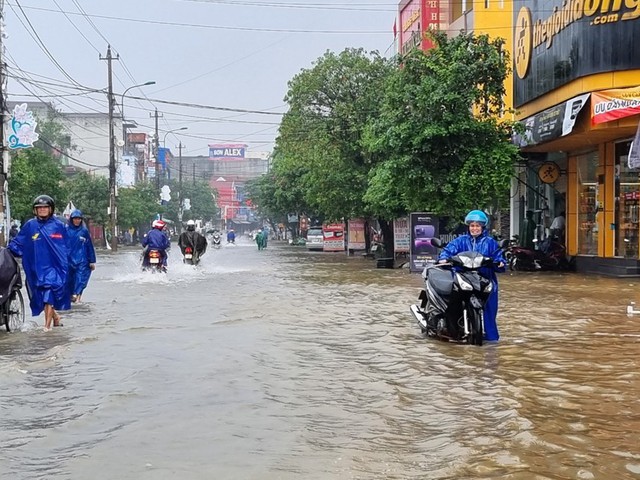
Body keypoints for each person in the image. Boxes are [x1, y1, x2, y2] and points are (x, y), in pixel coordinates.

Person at [438, 210, 506, 341]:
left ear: (483, 227)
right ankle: (452, 329)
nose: (474, 228)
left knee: (490, 311)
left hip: (485, 279)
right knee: (452, 301)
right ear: (468, 227)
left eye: (477, 226)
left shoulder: (490, 242)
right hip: (463, 278)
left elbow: (499, 257)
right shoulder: (460, 241)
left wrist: (501, 262)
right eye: (472, 226)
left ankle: (492, 340)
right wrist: (444, 258)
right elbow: (447, 251)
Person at [8, 195, 70, 330]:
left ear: (51, 209)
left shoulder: (59, 226)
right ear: (35, 210)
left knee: (49, 293)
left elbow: (67, 246)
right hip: (35, 268)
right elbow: (19, 242)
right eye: (39, 208)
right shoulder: (30, 225)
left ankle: (46, 327)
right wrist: (9, 251)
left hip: (54, 268)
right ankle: (55, 317)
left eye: (45, 208)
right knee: (40, 297)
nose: (42, 210)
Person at [66, 209, 96, 303]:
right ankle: (72, 296)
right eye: (75, 219)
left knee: (81, 278)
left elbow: (89, 246)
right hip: (68, 259)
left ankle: (77, 295)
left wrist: (92, 261)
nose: (77, 221)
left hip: (82, 260)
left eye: (79, 219)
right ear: (71, 219)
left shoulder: (84, 231)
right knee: (69, 280)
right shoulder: (65, 230)